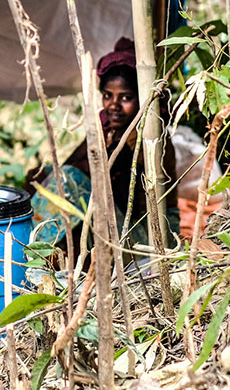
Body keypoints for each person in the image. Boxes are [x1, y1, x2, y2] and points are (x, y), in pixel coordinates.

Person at [26, 38, 179, 256]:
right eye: (108, 96)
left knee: (69, 180)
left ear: (144, 98)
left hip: (148, 237)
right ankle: (34, 247)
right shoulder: (106, 130)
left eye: (125, 97)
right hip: (115, 225)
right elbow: (72, 165)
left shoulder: (151, 136)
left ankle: (31, 253)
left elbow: (103, 179)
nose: (113, 106)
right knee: (45, 176)